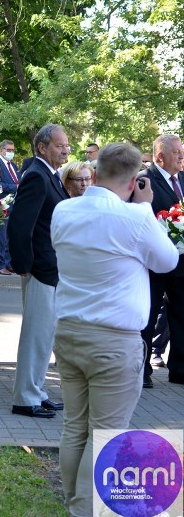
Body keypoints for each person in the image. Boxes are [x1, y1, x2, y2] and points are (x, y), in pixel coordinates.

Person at [51, 143, 178, 517]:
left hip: (70, 332)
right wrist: (143, 207)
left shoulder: (64, 209)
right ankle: (86, 509)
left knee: (75, 427)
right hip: (113, 340)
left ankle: (75, 503)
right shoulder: (135, 217)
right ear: (134, 179)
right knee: (107, 434)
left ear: (98, 168)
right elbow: (168, 261)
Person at [7, 123, 70, 418]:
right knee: (36, 335)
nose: (66, 149)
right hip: (40, 269)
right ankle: (25, 398)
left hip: (51, 268)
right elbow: (20, 226)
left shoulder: (50, 175)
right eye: (60, 145)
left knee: (45, 335)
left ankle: (38, 391)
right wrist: (24, 266)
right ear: (42, 147)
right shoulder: (36, 175)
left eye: (66, 145)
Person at [138, 134, 184, 387]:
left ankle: (179, 368)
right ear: (160, 156)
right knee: (148, 315)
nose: (181, 156)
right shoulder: (145, 180)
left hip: (181, 262)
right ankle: (142, 370)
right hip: (153, 262)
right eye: (176, 152)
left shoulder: (183, 179)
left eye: (182, 152)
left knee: (180, 315)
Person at [0, 140, 20, 276]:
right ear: (2, 150)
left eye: (12, 150)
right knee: (2, 238)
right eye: (8, 150)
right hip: (2, 205)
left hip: (14, 206)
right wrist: (15, 187)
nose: (11, 152)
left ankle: (9, 264)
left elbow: (18, 181)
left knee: (10, 237)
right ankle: (1, 265)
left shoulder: (14, 166)